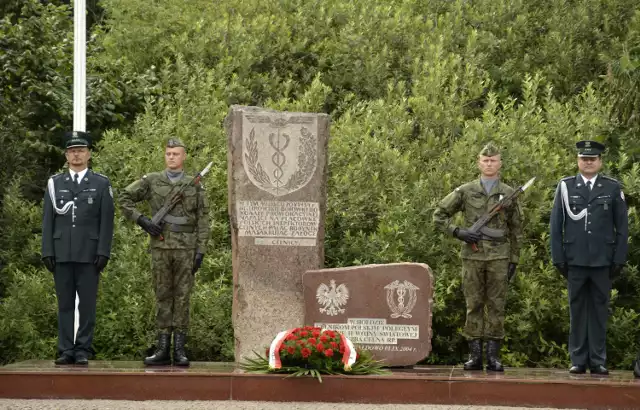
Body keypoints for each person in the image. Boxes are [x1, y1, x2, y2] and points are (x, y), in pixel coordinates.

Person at [433, 142, 523, 372]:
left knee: (497, 305)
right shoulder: (465, 191)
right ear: (478, 163)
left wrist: (514, 259)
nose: (489, 164)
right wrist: (458, 232)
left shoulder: (509, 192)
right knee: (473, 305)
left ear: (500, 163)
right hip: (472, 258)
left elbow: (516, 228)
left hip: (498, 258)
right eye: (485, 160)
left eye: (493, 160)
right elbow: (439, 215)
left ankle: (493, 357)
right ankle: (475, 357)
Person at [119, 138, 209, 366]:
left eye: (176, 153)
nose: (171, 157)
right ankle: (162, 348)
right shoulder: (151, 181)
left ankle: (179, 349)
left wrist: (201, 250)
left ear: (184, 157)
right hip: (160, 246)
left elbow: (203, 219)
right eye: (168, 153)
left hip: (186, 248)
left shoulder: (194, 185)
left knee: (182, 297)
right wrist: (143, 221)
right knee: (162, 296)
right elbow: (124, 198)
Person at [550, 140, 628, 375]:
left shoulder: (612, 188)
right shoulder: (565, 187)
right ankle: (578, 359)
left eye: (592, 159)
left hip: (602, 260)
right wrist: (558, 257)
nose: (588, 162)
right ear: (578, 161)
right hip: (574, 259)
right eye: (584, 159)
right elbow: (556, 226)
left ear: (600, 162)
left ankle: (598, 359)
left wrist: (619, 259)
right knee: (577, 310)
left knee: (599, 311)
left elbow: (622, 227)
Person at [41, 131, 115, 365]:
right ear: (66, 155)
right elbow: (47, 220)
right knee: (64, 304)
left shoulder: (101, 183)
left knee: (87, 305)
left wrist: (103, 250)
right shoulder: (55, 184)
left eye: (81, 150)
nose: (76, 154)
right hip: (61, 252)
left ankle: (83, 348)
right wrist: (47, 251)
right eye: (72, 151)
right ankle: (65, 349)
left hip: (89, 254)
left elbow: (107, 221)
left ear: (89, 154)